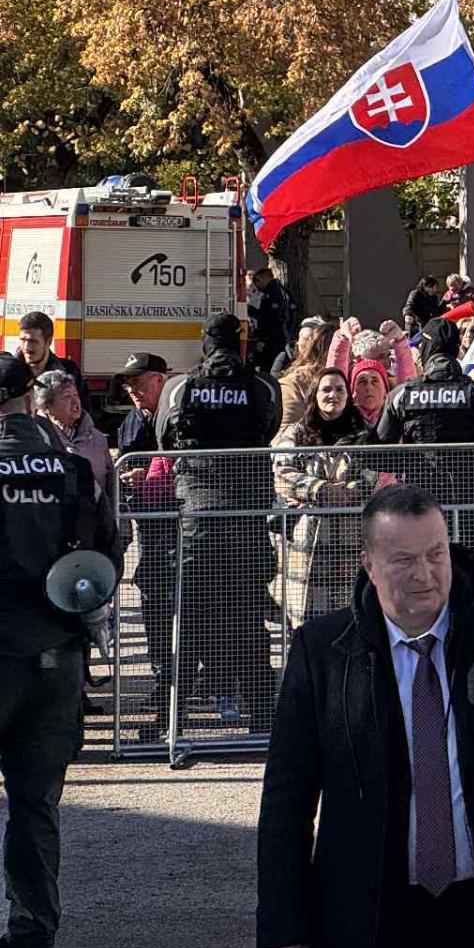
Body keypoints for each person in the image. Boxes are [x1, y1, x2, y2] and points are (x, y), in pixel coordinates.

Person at [257, 484, 474, 948]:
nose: (425, 574)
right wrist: (285, 925)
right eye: (403, 560)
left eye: (436, 554)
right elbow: (287, 798)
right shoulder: (322, 653)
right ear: (368, 565)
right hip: (371, 912)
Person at [0, 352, 120, 948]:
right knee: (36, 804)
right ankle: (33, 928)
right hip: (57, 655)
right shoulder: (73, 470)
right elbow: (108, 560)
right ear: (29, 399)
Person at [156, 313, 283, 732]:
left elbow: (164, 439)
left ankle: (172, 721)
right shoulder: (262, 385)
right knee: (248, 621)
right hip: (246, 519)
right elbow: (268, 428)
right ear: (240, 342)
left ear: (205, 344)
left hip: (197, 518)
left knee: (187, 623)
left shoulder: (182, 386)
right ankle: (264, 720)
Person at [369, 316, 474, 587]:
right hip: (471, 500)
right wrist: (472, 451)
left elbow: (380, 453)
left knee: (420, 574)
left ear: (426, 349)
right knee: (472, 575)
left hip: (418, 501)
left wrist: (414, 456)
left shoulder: (403, 394)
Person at [273, 367, 373, 625]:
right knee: (304, 619)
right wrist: (319, 489)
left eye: (339, 389)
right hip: (306, 540)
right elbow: (281, 472)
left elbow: (375, 472)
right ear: (314, 395)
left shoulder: (363, 434)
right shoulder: (297, 432)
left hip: (350, 539)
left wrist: (353, 491)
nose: (333, 395)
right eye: (326, 389)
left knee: (349, 617)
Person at [115, 352, 176, 740]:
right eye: (128, 383)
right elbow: (122, 464)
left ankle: (195, 680)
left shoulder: (176, 413)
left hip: (181, 528)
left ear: (161, 380)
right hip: (150, 533)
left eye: (140, 381)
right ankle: (160, 675)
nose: (133, 389)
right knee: (153, 600)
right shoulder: (131, 422)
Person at [33, 369, 108, 502]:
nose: (75, 402)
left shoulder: (97, 438)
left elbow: (110, 485)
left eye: (76, 395)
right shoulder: (36, 437)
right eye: (67, 396)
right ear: (47, 405)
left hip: (91, 516)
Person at [276, 317, 334, 428]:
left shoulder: (349, 378)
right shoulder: (292, 381)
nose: (301, 343)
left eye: (307, 339)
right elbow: (288, 427)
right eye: (301, 338)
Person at [248, 264, 296, 376]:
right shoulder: (283, 291)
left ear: (266, 277)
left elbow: (271, 320)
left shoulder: (273, 294)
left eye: (257, 281)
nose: (256, 285)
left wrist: (263, 340)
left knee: (266, 370)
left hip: (272, 342)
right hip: (283, 338)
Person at [13, 311, 79, 383]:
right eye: (23, 340)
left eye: (33, 341)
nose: (27, 347)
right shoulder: (6, 373)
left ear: (48, 342)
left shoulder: (69, 371)